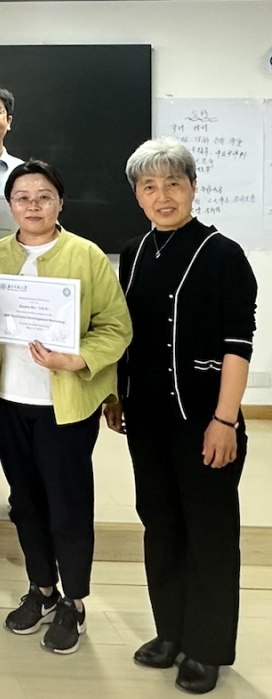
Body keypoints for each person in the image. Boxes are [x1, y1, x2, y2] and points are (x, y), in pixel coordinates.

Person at [109, 138, 257, 694]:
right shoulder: (134, 252)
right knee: (161, 523)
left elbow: (238, 345)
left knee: (210, 532)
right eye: (149, 186)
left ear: (193, 187)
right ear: (137, 195)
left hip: (204, 420)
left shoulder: (224, 254)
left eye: (173, 183)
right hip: (146, 419)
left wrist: (225, 420)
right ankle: (170, 632)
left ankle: (207, 647)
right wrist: (117, 395)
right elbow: (124, 335)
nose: (162, 195)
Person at [0, 160, 131, 654]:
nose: (33, 206)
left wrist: (76, 358)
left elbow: (117, 327)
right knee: (24, 501)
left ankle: (75, 602)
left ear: (60, 202)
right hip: (8, 401)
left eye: (44, 196)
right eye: (22, 198)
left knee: (68, 503)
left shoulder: (86, 255)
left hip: (65, 406)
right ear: (10, 205)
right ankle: (42, 589)